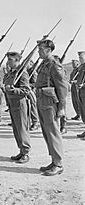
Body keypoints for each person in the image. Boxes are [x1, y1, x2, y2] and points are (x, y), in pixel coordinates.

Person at [35, 39, 68, 176]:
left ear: (48, 50)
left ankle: (58, 164)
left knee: (53, 132)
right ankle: (54, 160)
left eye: (41, 49)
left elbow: (62, 88)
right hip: (42, 100)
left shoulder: (55, 65)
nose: (38, 51)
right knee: (47, 132)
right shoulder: (45, 64)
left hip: (50, 102)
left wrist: (61, 107)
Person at [4, 52, 31, 163]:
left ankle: (25, 153)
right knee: (16, 129)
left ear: (17, 60)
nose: (8, 61)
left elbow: (26, 90)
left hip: (20, 104)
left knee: (22, 129)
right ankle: (21, 150)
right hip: (12, 103)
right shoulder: (11, 73)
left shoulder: (22, 74)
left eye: (10, 59)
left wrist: (13, 90)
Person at [27, 60, 39, 131]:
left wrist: (28, 85)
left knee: (33, 108)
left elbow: (35, 84)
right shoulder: (27, 71)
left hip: (32, 92)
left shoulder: (33, 72)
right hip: (27, 92)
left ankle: (35, 123)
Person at [76, 51, 85, 139]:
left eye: (81, 58)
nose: (80, 59)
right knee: (83, 112)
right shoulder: (82, 67)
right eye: (79, 58)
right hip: (81, 93)